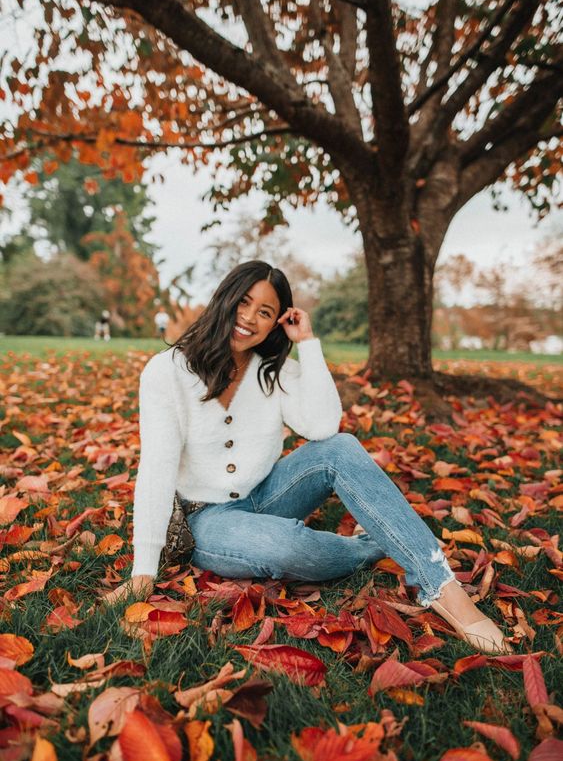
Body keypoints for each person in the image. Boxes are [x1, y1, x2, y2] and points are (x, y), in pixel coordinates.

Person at [105, 260, 510, 654]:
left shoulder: (273, 371)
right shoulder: (168, 371)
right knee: (288, 549)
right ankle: (376, 545)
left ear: (277, 322)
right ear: (224, 299)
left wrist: (308, 345)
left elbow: (322, 428)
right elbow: (156, 470)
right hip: (207, 519)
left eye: (265, 312)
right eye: (243, 302)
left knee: (341, 448)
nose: (249, 317)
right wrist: (144, 573)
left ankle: (442, 587)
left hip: (267, 494)